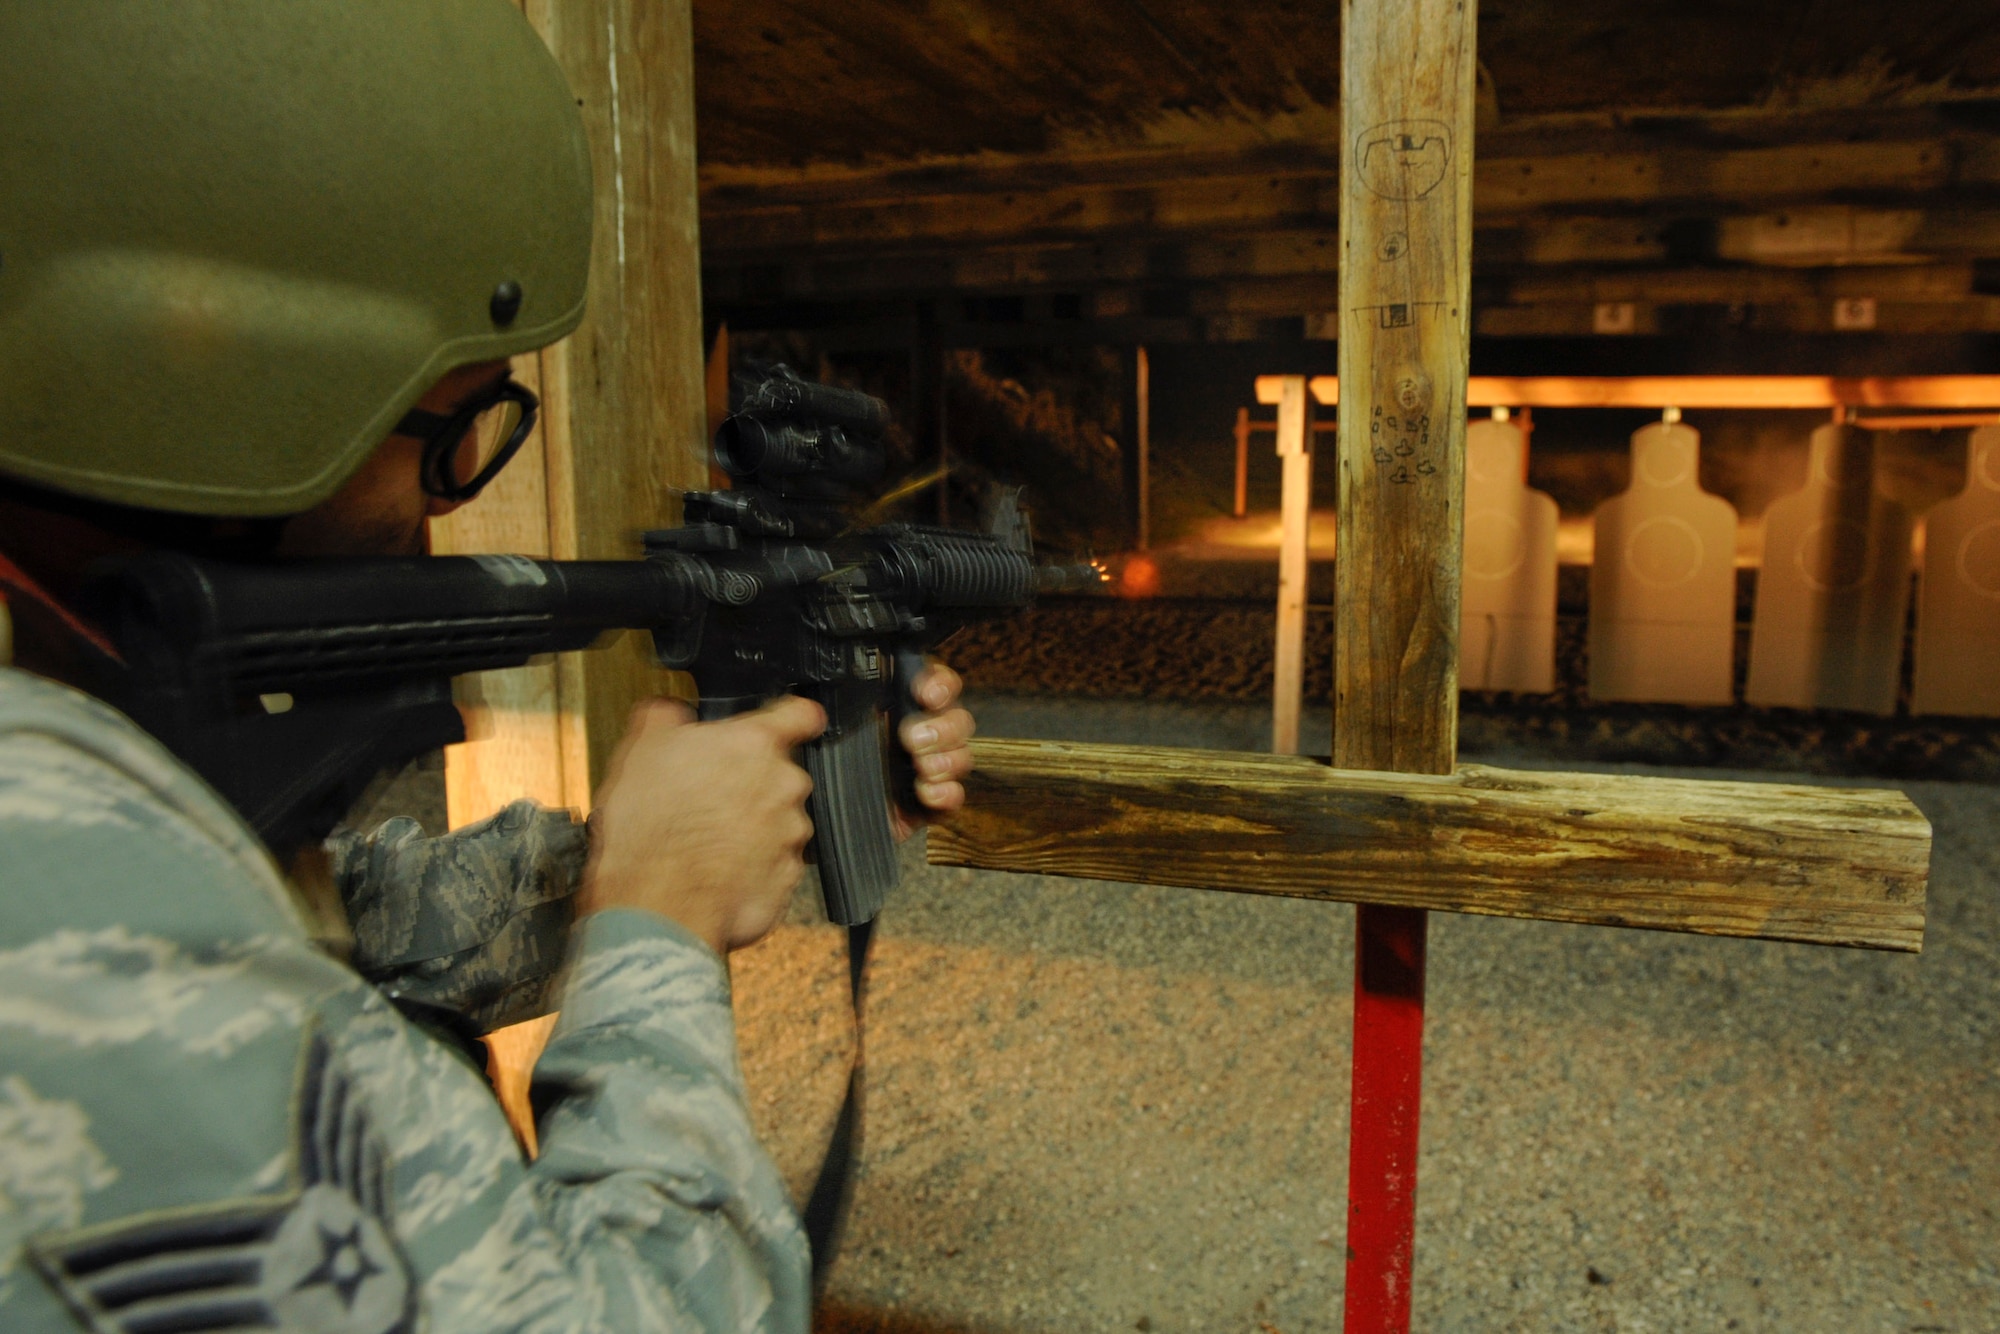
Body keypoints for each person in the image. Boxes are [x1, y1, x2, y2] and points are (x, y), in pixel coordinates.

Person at [0, 3, 973, 1330]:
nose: (453, 505)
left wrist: (658, 850)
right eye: (460, 429)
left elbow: (328, 921)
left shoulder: (66, 745)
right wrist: (657, 938)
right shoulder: (71, 928)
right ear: (254, 399)